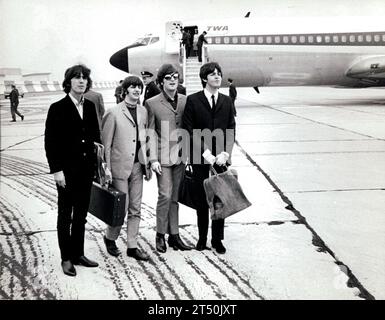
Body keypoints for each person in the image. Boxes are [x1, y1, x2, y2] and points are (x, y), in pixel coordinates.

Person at [44, 64, 101, 277]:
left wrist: (97, 167)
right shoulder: (57, 108)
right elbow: (51, 142)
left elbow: (95, 139)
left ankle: (78, 253)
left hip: (86, 171)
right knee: (65, 215)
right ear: (69, 82)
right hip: (67, 173)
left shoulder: (90, 106)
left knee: (81, 215)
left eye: (84, 77)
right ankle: (66, 258)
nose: (81, 81)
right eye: (77, 77)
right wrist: (56, 170)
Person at [182, 62, 236, 254]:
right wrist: (206, 153)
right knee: (202, 199)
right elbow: (188, 129)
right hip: (200, 158)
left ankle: (217, 239)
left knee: (220, 199)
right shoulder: (193, 100)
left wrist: (225, 153)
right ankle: (202, 237)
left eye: (219, 74)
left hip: (220, 160)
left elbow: (231, 128)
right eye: (213, 74)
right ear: (204, 78)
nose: (217, 77)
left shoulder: (227, 101)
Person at [101, 76, 152, 261]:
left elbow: (144, 138)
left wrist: (148, 162)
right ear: (125, 90)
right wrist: (105, 169)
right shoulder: (113, 113)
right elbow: (105, 144)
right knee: (120, 209)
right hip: (119, 167)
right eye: (133, 87)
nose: (137, 90)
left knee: (136, 208)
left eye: (139, 87)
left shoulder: (143, 111)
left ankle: (132, 246)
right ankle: (110, 237)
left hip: (138, 166)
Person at [146, 64, 193, 253]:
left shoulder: (185, 100)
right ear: (161, 81)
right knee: (164, 195)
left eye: (175, 77)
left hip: (180, 156)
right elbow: (149, 132)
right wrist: (153, 159)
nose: (172, 80)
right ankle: (160, 234)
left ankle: (174, 235)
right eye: (168, 77)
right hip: (162, 158)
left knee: (175, 197)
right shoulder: (151, 103)